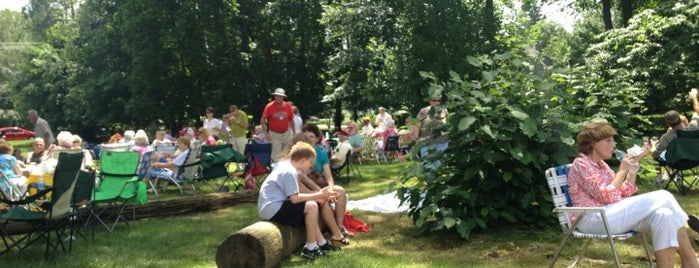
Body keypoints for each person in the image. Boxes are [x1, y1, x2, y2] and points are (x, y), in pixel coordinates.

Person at [568, 121, 699, 268]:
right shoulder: (581, 164)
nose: (614, 144)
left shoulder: (602, 165)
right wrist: (622, 170)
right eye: (608, 140)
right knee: (663, 196)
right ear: (594, 144)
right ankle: (691, 261)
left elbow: (624, 192)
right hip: (591, 218)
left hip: (609, 214)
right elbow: (607, 196)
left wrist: (632, 168)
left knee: (665, 215)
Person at [257, 141, 339, 260]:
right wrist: (319, 194)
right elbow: (295, 199)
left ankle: (321, 243)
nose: (310, 167)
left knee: (310, 207)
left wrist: (318, 195)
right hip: (272, 209)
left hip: (274, 207)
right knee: (311, 206)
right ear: (303, 160)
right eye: (310, 163)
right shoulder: (288, 172)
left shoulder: (289, 168)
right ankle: (310, 248)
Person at [299, 123, 353, 238]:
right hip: (304, 187)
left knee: (340, 191)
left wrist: (331, 189)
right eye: (306, 136)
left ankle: (339, 226)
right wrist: (321, 192)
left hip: (319, 183)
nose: (308, 139)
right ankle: (332, 231)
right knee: (323, 197)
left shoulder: (321, 154)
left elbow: (328, 176)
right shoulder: (299, 153)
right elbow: (302, 178)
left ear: (318, 139)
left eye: (312, 137)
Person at [260, 88, 295, 160]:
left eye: (280, 96)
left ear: (283, 97)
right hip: (274, 134)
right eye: (276, 96)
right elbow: (263, 120)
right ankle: (276, 169)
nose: (278, 98)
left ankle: (286, 169)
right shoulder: (269, 106)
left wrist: (294, 133)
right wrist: (266, 133)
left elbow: (291, 119)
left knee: (287, 152)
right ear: (274, 96)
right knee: (276, 155)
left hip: (286, 133)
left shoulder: (288, 106)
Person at [417, 94, 449, 167]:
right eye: (434, 100)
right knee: (427, 164)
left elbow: (447, 124)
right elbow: (417, 125)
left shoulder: (444, 110)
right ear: (430, 101)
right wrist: (416, 138)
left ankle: (438, 177)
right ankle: (428, 177)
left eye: (438, 100)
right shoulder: (424, 111)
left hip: (442, 141)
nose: (437, 102)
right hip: (426, 142)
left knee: (440, 164)